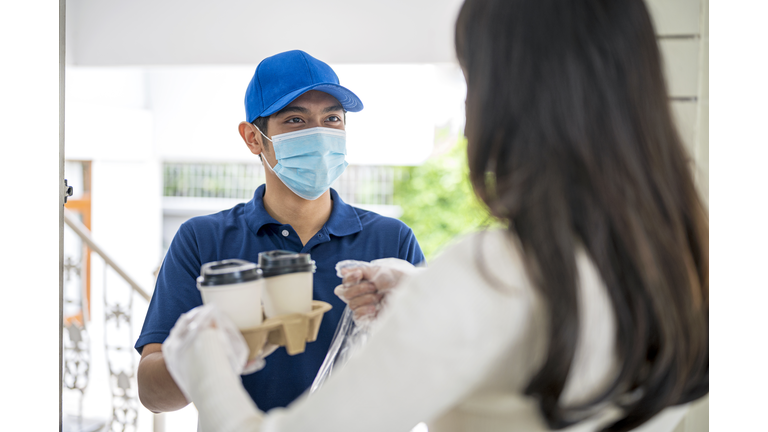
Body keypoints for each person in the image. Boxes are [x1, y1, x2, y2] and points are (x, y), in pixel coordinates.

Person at [161, 0, 709, 431]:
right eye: (296, 121)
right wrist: (425, 294)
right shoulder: (683, 267)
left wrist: (202, 349)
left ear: (511, 96)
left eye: (472, 77)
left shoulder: (484, 272)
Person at [135, 50, 425, 413]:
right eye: (295, 120)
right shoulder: (203, 240)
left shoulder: (392, 242)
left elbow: (435, 378)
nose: (319, 134)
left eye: (332, 118)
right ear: (253, 138)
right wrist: (205, 352)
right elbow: (152, 394)